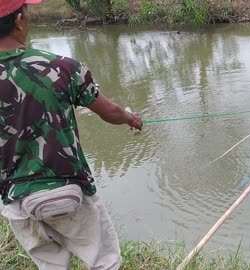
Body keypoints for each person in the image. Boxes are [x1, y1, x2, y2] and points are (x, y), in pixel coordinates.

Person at [0, 0, 143, 269]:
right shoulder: (63, 67)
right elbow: (109, 111)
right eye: (27, 12)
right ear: (19, 20)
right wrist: (130, 119)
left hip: (17, 201)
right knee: (105, 262)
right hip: (70, 190)